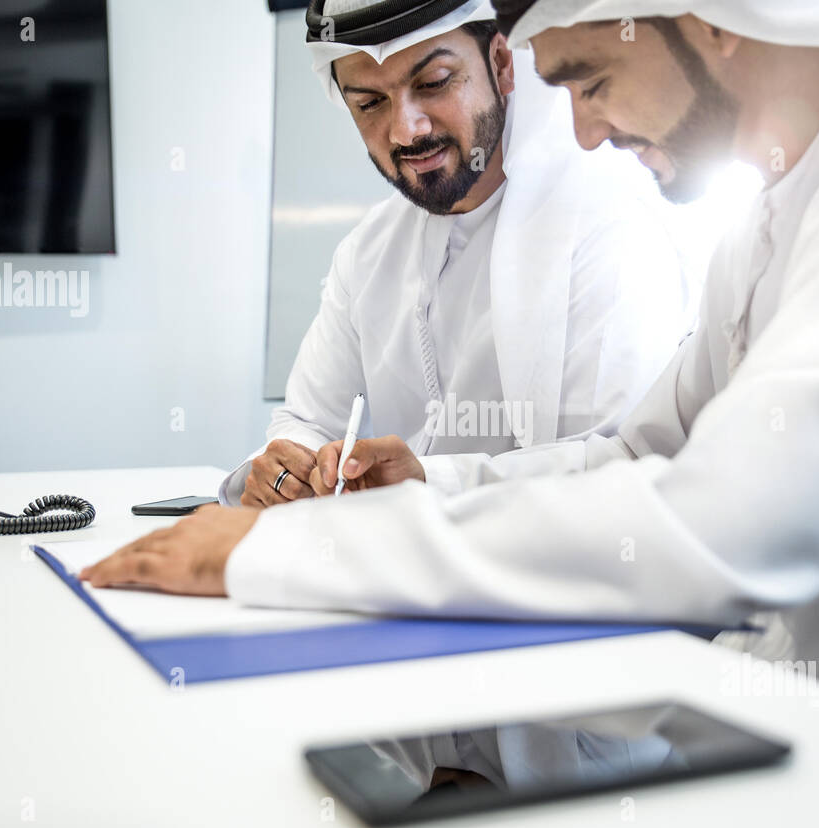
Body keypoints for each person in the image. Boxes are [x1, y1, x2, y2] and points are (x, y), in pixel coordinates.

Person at [84, 0, 819, 745]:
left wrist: (282, 556)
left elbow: (733, 529)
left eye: (589, 79)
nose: (582, 131)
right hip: (805, 718)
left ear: (712, 21)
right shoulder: (778, 211)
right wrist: (430, 482)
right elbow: (642, 452)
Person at [218, 0, 692, 508]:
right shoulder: (368, 250)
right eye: (370, 104)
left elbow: (618, 471)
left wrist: (430, 482)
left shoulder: (611, 224)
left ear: (502, 63)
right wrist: (286, 469)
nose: (406, 131)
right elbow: (306, 421)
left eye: (434, 82)